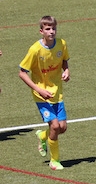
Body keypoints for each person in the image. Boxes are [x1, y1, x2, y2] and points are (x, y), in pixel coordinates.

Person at [18, 16, 70, 171]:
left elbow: (64, 60)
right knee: (55, 126)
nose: (51, 31)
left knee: (62, 127)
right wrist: (39, 89)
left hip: (57, 93)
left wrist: (66, 71)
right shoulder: (35, 50)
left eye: (53, 28)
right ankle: (54, 161)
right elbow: (22, 73)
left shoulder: (61, 44)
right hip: (41, 95)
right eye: (48, 29)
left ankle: (42, 136)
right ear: (41, 31)